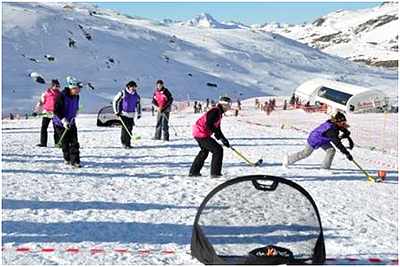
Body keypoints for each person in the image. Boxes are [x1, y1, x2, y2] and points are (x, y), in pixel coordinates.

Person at [283, 112, 354, 169]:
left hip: (323, 139)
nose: (344, 124)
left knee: (331, 150)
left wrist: (346, 132)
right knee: (305, 153)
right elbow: (337, 143)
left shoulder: (334, 124)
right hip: (315, 139)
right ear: (337, 121)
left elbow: (339, 128)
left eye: (344, 122)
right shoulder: (332, 130)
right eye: (342, 122)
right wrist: (346, 153)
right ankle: (288, 159)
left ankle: (324, 168)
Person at [189, 96, 232, 178]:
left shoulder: (218, 112)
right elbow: (209, 124)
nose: (229, 107)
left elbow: (217, 128)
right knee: (218, 150)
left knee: (204, 151)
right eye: (229, 105)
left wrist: (223, 139)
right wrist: (218, 135)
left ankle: (194, 172)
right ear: (224, 105)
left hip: (200, 133)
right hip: (201, 133)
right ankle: (215, 173)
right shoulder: (215, 111)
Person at [53, 76, 81, 168]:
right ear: (72, 87)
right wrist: (64, 120)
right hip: (60, 123)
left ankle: (75, 161)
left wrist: (75, 112)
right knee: (65, 143)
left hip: (71, 122)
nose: (78, 90)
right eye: (77, 88)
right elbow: (56, 110)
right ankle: (67, 158)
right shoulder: (61, 96)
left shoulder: (77, 96)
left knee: (74, 142)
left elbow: (75, 107)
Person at [112, 81, 141, 149]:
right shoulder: (123, 93)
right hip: (123, 114)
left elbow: (138, 104)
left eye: (134, 87)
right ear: (129, 87)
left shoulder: (136, 95)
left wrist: (139, 113)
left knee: (130, 129)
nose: (133, 88)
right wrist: (116, 111)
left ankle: (128, 143)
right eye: (132, 87)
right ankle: (124, 143)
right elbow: (115, 101)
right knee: (125, 129)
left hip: (131, 114)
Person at [35, 79, 61, 147]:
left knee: (56, 128)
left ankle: (57, 143)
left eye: (58, 86)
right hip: (47, 112)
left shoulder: (60, 94)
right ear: (52, 86)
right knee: (44, 127)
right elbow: (40, 102)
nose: (58, 87)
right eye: (56, 85)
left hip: (55, 113)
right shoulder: (46, 93)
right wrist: (36, 111)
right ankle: (43, 143)